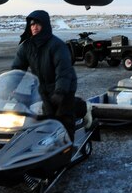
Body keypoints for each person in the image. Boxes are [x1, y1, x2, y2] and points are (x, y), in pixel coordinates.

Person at [11, 10, 81, 141]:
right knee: (48, 119)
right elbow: (17, 69)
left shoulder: (57, 45)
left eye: (38, 24)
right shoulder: (27, 46)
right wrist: (10, 86)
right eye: (32, 25)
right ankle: (50, 148)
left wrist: (60, 91)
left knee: (63, 118)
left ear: (45, 25)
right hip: (43, 88)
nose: (34, 27)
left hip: (64, 87)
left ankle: (67, 149)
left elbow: (64, 70)